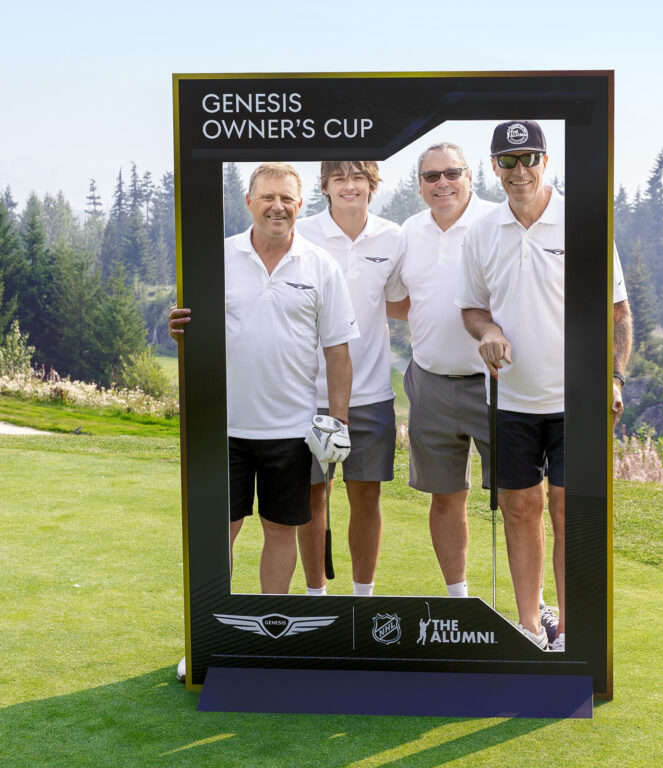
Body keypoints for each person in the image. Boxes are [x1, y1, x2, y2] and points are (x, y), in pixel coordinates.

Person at [169, 162, 358, 680]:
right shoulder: (216, 258)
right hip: (223, 428)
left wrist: (338, 423)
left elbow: (338, 352)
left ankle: (266, 638)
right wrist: (178, 324)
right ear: (249, 201)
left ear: (301, 205)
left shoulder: (320, 265)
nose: (278, 206)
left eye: (287, 199)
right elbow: (188, 324)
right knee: (219, 535)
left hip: (292, 431)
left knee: (280, 532)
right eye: (268, 197)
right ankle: (205, 638)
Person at [458, 120, 632, 651]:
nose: (520, 171)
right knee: (520, 509)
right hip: (510, 398)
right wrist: (488, 332)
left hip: (577, 398)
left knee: (567, 510)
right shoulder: (482, 232)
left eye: (529, 158)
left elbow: (618, 314)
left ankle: (573, 633)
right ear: (494, 167)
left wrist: (614, 377)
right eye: (508, 161)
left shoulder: (582, 223)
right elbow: (472, 309)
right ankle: (531, 628)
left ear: (545, 161)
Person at [295, 160, 407, 597]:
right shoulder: (301, 232)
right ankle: (316, 598)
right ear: (324, 186)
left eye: (358, 177)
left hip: (372, 392)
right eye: (338, 178)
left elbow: (396, 300)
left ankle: (363, 601)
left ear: (371, 184)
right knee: (312, 497)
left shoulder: (392, 236)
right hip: (307, 393)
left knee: (366, 498)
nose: (349, 186)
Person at [393, 142, 496, 598]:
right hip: (430, 383)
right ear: (420, 185)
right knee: (445, 497)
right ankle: (459, 601)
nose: (442, 183)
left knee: (519, 497)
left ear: (470, 177)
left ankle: (532, 609)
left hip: (496, 383)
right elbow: (398, 300)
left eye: (452, 173)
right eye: (431, 176)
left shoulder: (496, 222)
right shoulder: (409, 232)